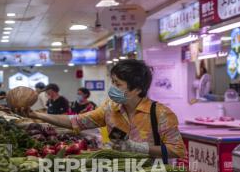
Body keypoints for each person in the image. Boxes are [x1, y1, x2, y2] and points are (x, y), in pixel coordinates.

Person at [15, 60, 185, 159]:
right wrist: (36, 115)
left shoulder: (161, 114)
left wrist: (138, 148)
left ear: (137, 89)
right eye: (113, 83)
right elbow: (75, 121)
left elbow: (176, 151)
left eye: (118, 84)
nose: (113, 88)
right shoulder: (110, 108)